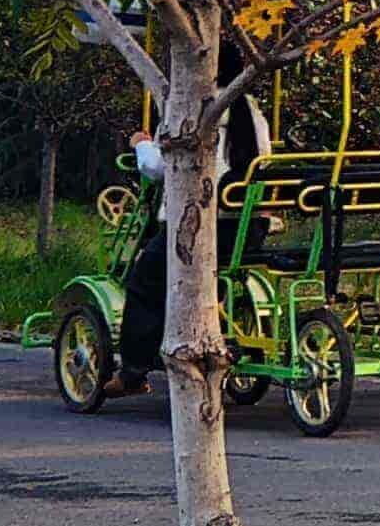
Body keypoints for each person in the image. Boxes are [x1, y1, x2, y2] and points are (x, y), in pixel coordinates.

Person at [112, 36, 272, 395]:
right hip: (247, 231)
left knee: (143, 282)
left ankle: (134, 370)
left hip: (196, 228)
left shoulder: (190, 109)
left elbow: (159, 167)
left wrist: (140, 144)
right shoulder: (253, 115)